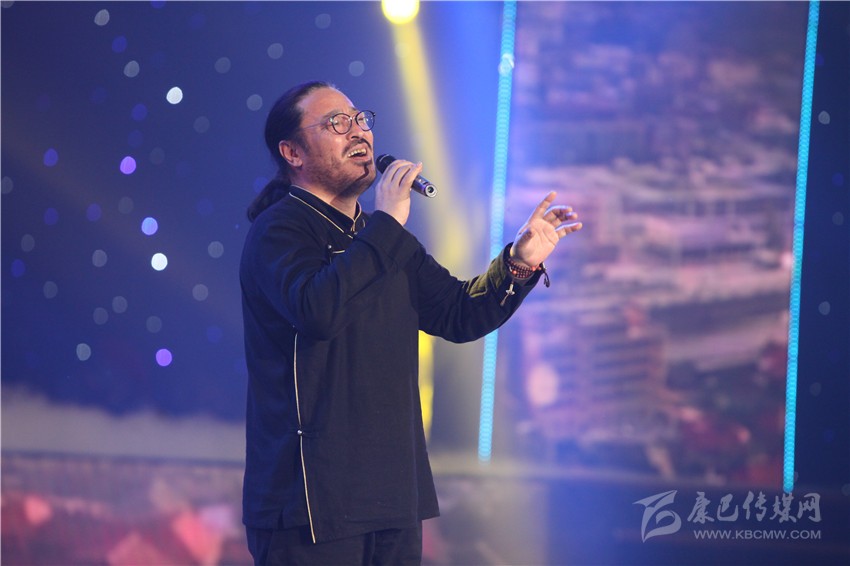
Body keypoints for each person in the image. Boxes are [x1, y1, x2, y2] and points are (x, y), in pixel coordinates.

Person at [239, 80, 582, 565]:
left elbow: (459, 313)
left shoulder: (381, 238)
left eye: (361, 119)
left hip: (393, 497)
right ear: (292, 152)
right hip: (313, 502)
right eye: (336, 123)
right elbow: (317, 310)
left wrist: (519, 263)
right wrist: (386, 223)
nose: (358, 131)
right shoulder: (280, 228)